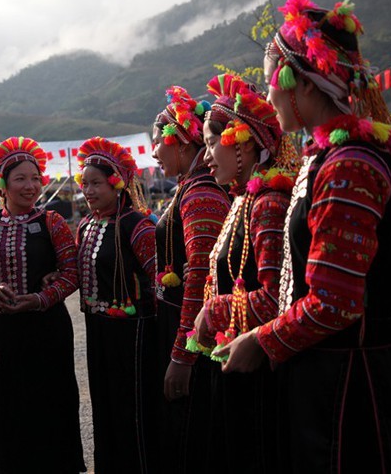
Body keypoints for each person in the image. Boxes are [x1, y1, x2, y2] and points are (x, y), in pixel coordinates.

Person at [218, 0, 391, 473]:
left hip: (349, 387)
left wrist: (260, 340)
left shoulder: (350, 166)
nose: (270, 96)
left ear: (300, 82)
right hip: (319, 371)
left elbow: (335, 302)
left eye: (271, 83)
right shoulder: (325, 159)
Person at [190, 74, 298, 473]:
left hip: (258, 371)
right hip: (237, 363)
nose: (205, 157)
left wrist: (212, 313)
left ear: (243, 140)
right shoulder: (243, 199)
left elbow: (275, 297)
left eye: (210, 142)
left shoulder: (267, 204)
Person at [0, 136, 86, 473]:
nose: (30, 186)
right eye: (20, 178)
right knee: (10, 412)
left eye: (35, 178)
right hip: (3, 335)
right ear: (2, 184)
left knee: (53, 408)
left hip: (48, 332)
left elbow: (73, 272)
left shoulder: (53, 223)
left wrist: (39, 298)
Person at [152, 86, 230, 473]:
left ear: (180, 142)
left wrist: (183, 355)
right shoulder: (189, 186)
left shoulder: (201, 194)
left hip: (195, 336)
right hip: (182, 327)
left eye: (157, 143)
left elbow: (200, 277)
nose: (153, 153)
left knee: (193, 434)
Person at [75, 136, 160, 473]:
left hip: (134, 332)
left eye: (96, 183)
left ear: (117, 183)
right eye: (85, 183)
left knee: (133, 409)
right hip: (98, 329)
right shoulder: (86, 225)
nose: (89, 190)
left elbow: (160, 277)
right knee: (105, 406)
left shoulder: (136, 225)